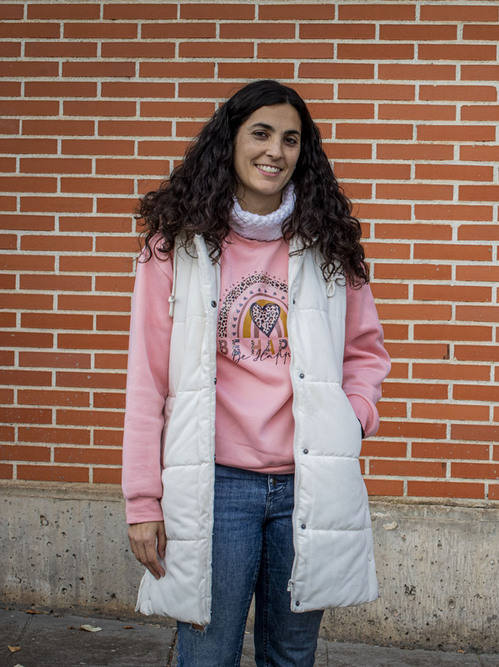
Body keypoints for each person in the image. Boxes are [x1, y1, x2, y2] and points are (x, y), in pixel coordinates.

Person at [122, 79, 391, 666]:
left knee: (291, 657)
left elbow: (366, 352)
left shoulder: (329, 244)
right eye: (262, 133)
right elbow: (147, 380)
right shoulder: (177, 246)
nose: (276, 151)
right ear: (231, 141)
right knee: (208, 655)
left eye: (291, 140)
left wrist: (353, 417)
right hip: (216, 486)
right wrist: (143, 501)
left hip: (308, 482)